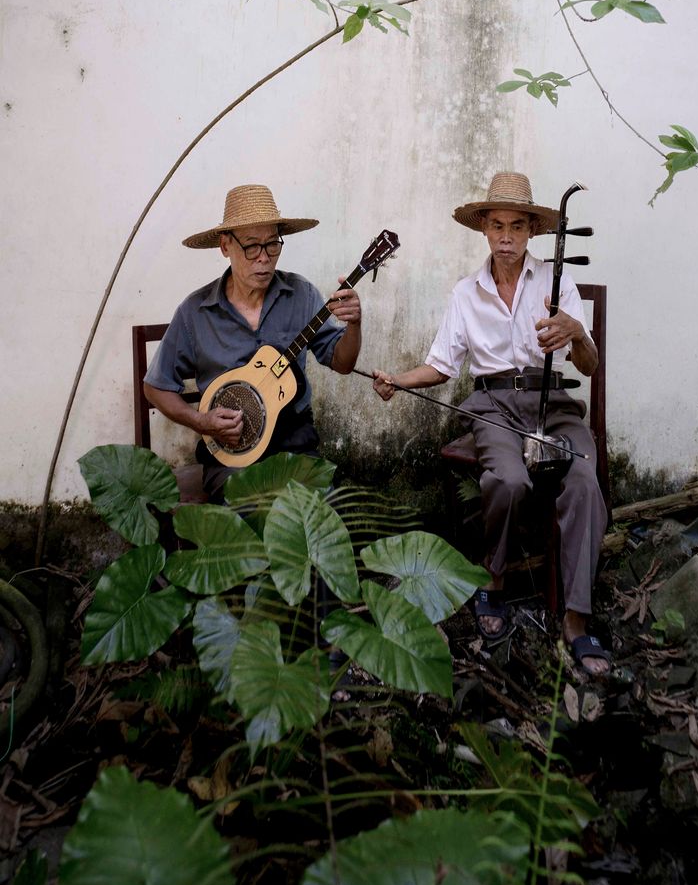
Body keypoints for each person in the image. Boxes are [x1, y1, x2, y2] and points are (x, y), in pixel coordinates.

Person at [372, 171, 610, 676]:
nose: (507, 236)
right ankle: (494, 579)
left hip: (554, 404)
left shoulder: (557, 280)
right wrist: (397, 379)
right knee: (506, 480)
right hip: (495, 407)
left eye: (517, 226)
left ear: (532, 232)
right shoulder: (466, 293)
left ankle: (576, 616)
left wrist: (575, 333)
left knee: (584, 478)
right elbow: (441, 366)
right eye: (498, 225)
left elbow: (588, 366)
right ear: (484, 227)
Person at [143, 183, 361, 499]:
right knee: (249, 513)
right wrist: (201, 421)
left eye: (272, 244)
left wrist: (354, 325)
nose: (264, 258)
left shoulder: (301, 295)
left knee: (320, 515)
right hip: (231, 453)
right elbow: (156, 386)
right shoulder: (196, 312)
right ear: (225, 246)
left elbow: (343, 364)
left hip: (295, 446)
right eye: (251, 246)